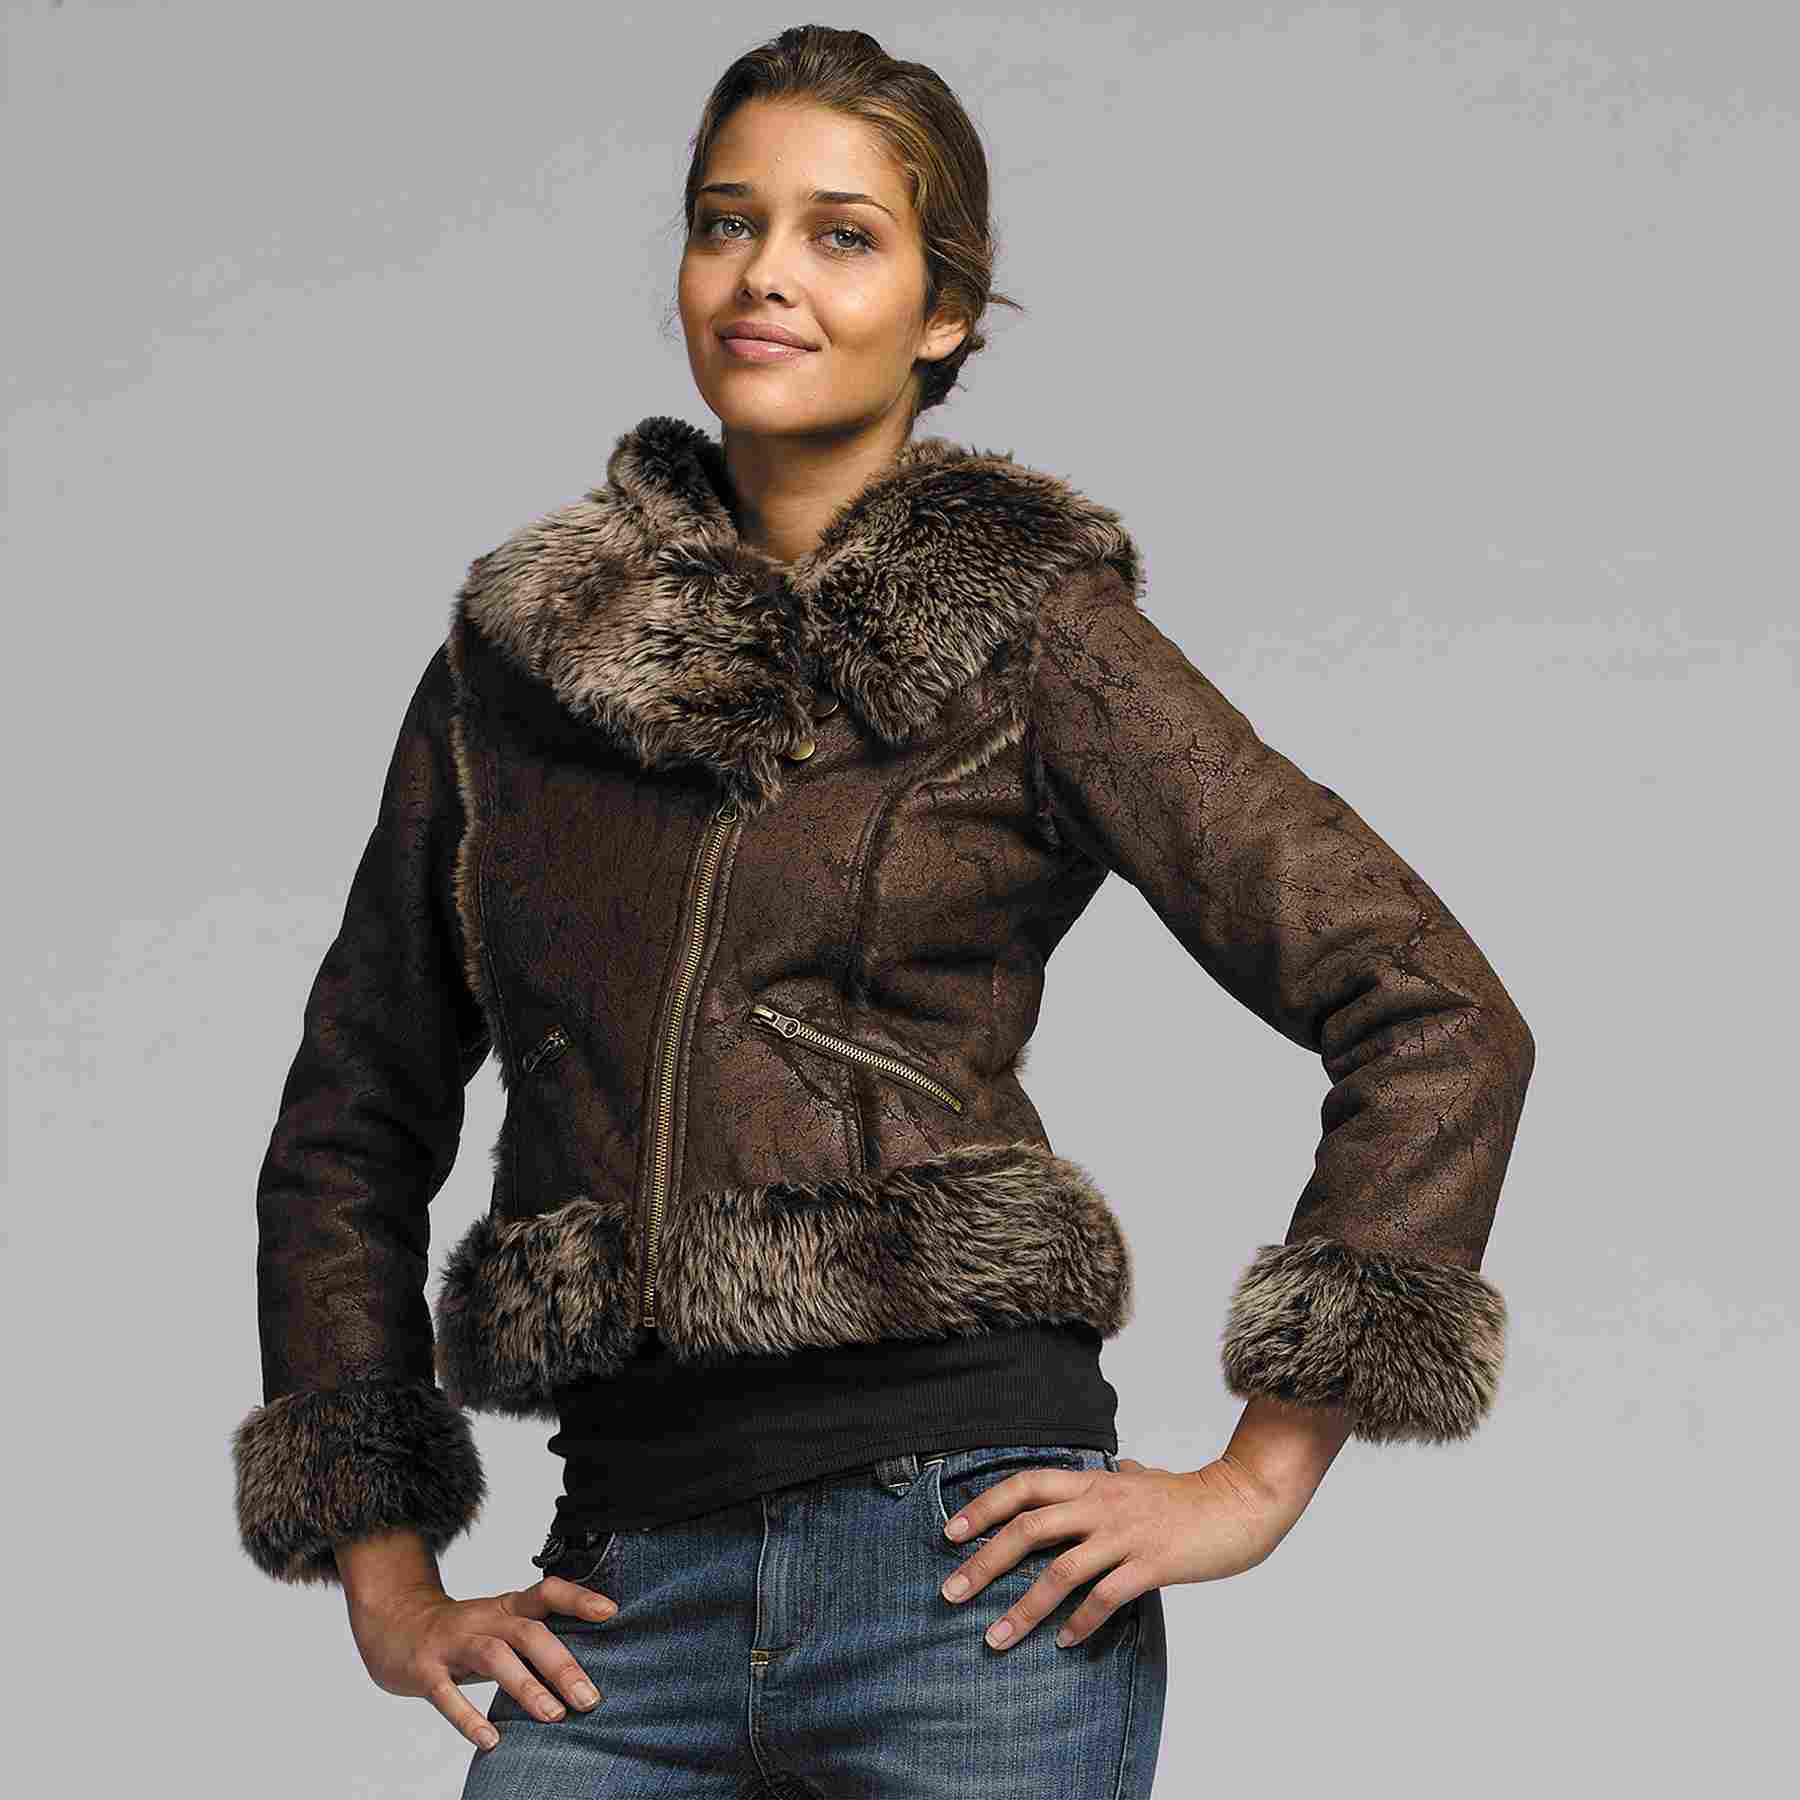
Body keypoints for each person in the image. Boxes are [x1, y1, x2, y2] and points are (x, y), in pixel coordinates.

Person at [229, 24, 1535, 1798]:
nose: (764, 272)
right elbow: (350, 1119)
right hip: (620, 1590)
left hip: (963, 1591)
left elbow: (1434, 1008)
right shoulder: (519, 669)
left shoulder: (1038, 642)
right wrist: (384, 1580)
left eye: (841, 234)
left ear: (945, 314)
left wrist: (1255, 1481)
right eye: (726, 222)